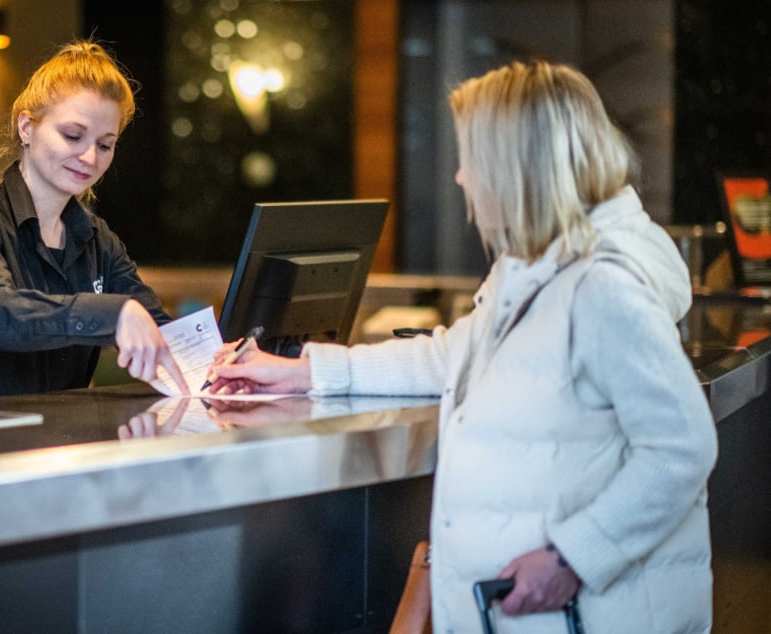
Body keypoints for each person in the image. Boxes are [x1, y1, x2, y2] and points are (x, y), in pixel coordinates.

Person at [205, 60, 717, 633]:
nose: (460, 178)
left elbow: (681, 448)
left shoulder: (603, 286)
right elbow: (450, 355)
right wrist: (302, 370)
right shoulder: (531, 270)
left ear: (515, 167)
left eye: (472, 159)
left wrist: (573, 558)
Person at [0, 40, 188, 399]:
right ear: (27, 127)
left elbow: (161, 328)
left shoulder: (98, 239)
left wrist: (221, 358)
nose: (90, 157)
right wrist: (115, 314)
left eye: (105, 145)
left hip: (58, 446)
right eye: (73, 136)